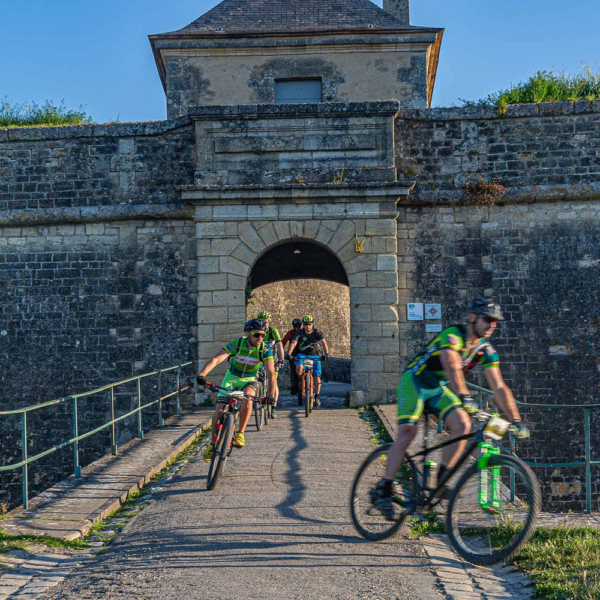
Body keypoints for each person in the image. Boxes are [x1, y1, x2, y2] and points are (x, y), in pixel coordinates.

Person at [376, 297, 530, 518]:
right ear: (471, 317)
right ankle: (385, 488)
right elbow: (452, 367)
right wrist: (465, 397)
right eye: (487, 319)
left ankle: (440, 480)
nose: (491, 325)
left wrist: (516, 420)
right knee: (408, 432)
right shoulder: (452, 336)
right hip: (415, 382)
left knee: (464, 425)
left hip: (437, 388)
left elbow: (498, 385)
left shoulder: (485, 349)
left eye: (495, 322)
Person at [198, 319, 276, 463]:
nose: (260, 338)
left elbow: (271, 373)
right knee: (219, 410)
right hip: (231, 378)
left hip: (249, 379)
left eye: (263, 335)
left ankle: (240, 433)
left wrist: (271, 396)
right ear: (247, 333)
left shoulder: (265, 350)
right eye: (256, 335)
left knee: (248, 399)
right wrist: (202, 375)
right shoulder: (237, 344)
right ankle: (213, 443)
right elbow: (216, 360)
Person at [287, 315, 330, 407]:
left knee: (317, 377)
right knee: (298, 367)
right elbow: (294, 342)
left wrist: (326, 354)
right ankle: (302, 380)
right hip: (302, 355)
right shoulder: (300, 333)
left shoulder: (317, 332)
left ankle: (317, 397)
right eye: (306, 324)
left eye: (309, 324)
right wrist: (289, 354)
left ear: (312, 324)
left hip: (315, 356)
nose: (307, 326)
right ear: (303, 325)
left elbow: (323, 342)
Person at [257, 311, 285, 418]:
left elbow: (279, 345)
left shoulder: (273, 331)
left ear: (269, 323)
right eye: (261, 322)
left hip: (273, 360)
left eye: (266, 322)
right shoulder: (256, 332)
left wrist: (281, 359)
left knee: (273, 382)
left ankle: (273, 407)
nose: (264, 324)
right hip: (259, 360)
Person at [282, 318, 303, 396]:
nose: (297, 328)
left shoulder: (303, 332)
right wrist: (283, 353)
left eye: (299, 326)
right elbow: (283, 343)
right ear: (293, 326)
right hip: (293, 354)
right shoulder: (290, 333)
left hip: (302, 353)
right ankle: (293, 386)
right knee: (293, 371)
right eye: (296, 326)